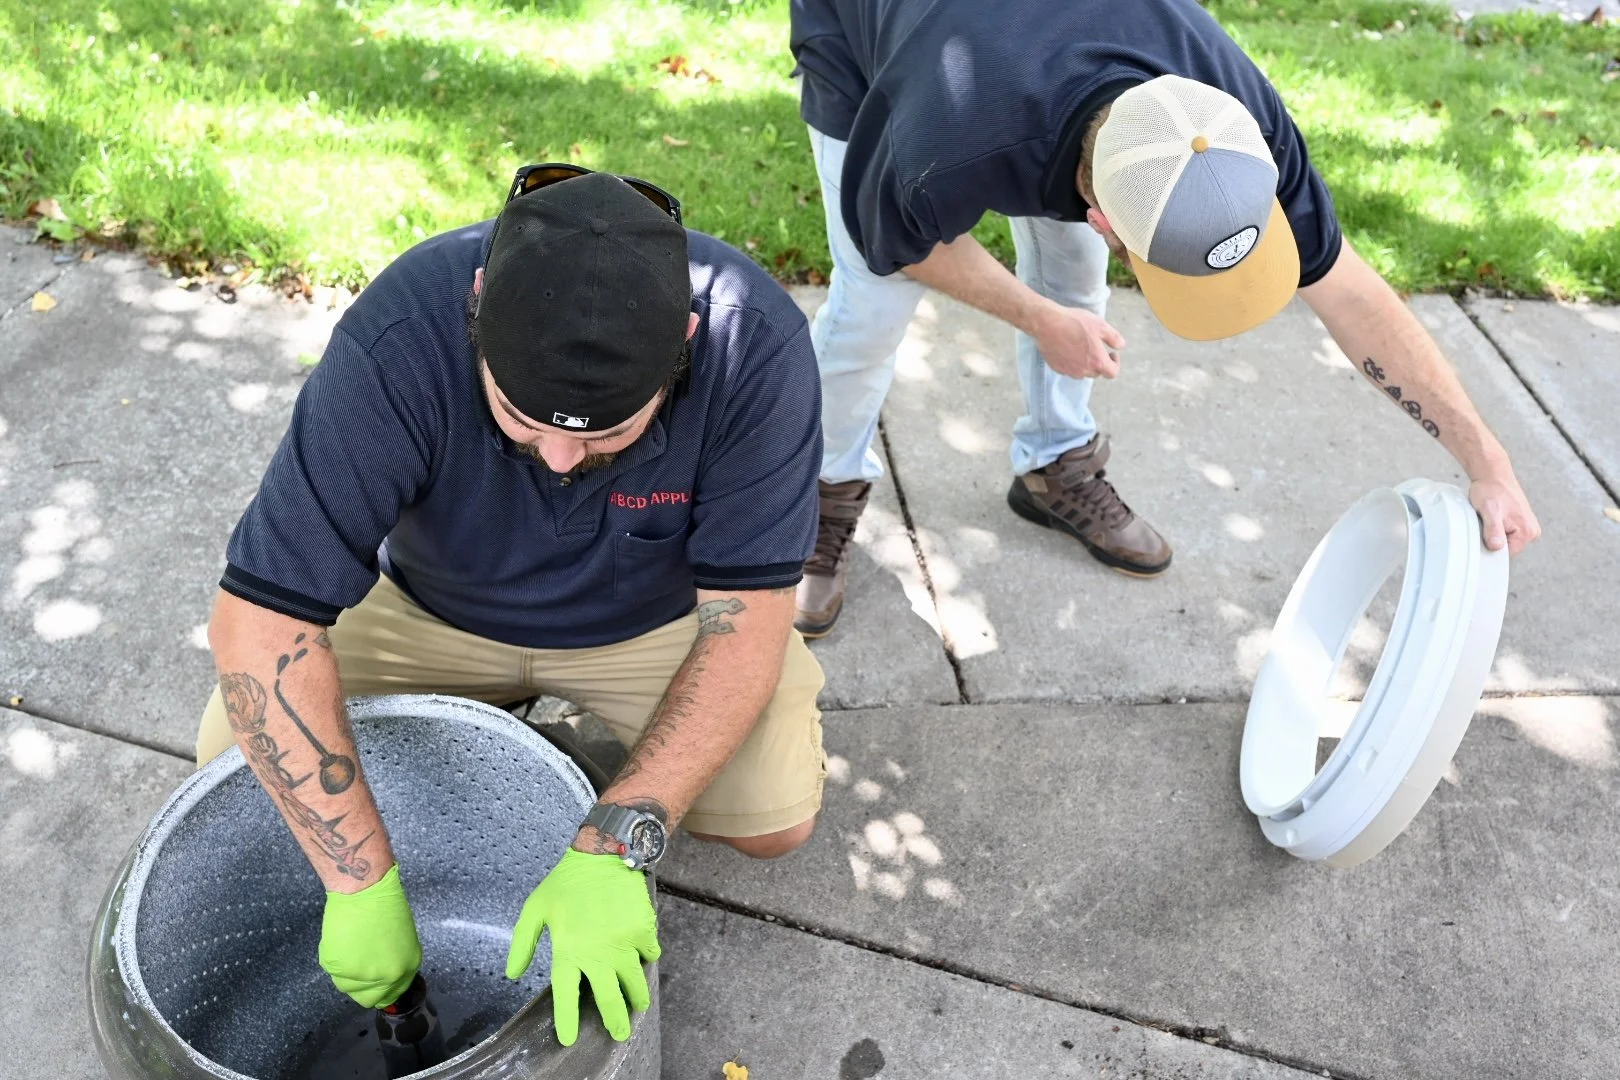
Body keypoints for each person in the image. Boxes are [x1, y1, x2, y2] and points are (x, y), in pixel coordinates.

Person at [200, 167, 827, 1046]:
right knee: (229, 761)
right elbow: (261, 623)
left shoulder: (752, 342)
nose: (562, 461)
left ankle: (560, 762)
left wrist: (618, 841)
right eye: (520, 417)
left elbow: (749, 617)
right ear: (478, 309)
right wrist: (359, 882)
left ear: (683, 342)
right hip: (431, 607)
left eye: (607, 432)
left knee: (777, 823)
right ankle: (519, 751)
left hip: (653, 620)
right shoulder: (402, 333)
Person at [788, 0, 1541, 637]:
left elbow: (1352, 293)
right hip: (870, 34)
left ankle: (1055, 461)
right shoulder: (941, 144)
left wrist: (1487, 462)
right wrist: (1037, 317)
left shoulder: (1235, 122)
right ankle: (819, 495)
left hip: (1030, 65)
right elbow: (899, 248)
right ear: (1104, 217)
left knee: (1075, 275)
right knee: (869, 309)